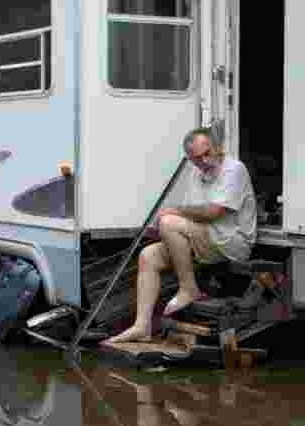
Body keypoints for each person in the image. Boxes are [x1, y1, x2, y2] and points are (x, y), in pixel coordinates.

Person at [103, 126, 257, 345]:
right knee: (148, 255)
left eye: (207, 153)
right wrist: (162, 230)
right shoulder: (197, 173)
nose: (204, 160)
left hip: (232, 241)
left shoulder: (234, 169)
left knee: (169, 221)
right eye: (197, 158)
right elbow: (192, 212)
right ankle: (142, 326)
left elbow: (213, 212)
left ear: (217, 147)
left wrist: (173, 214)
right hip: (208, 239)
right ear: (190, 159)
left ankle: (188, 289)